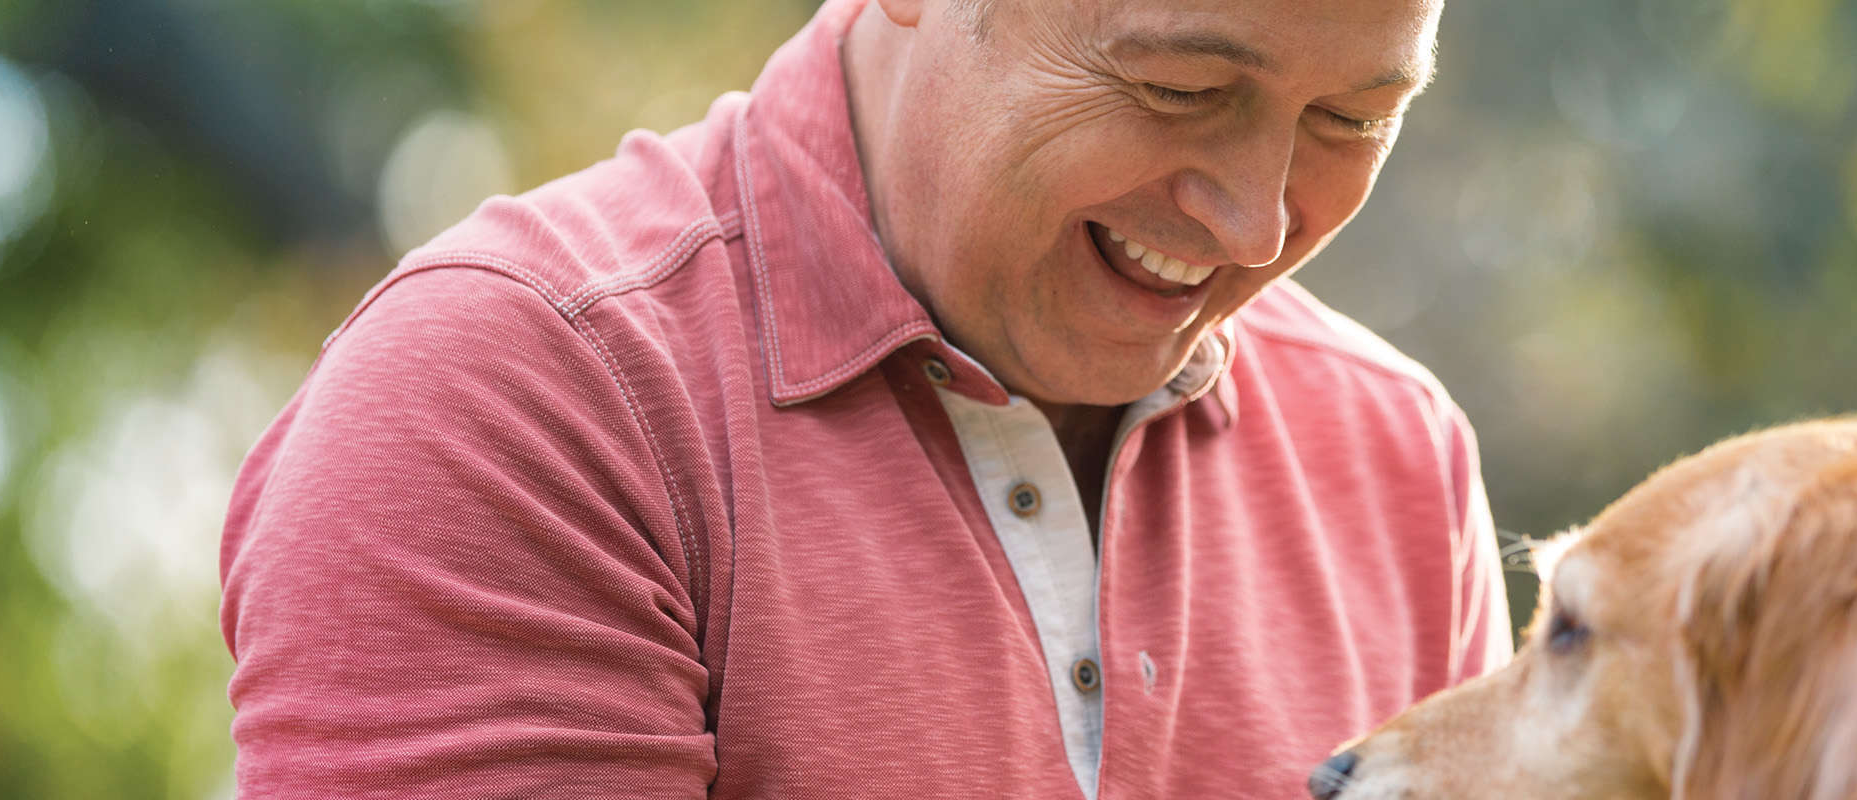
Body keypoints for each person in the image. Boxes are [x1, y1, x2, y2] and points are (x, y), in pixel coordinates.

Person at [219, 0, 1511, 796]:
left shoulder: (1399, 461)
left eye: (1348, 120)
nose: (1252, 218)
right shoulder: (519, 403)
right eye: (1180, 90)